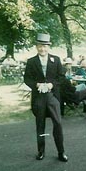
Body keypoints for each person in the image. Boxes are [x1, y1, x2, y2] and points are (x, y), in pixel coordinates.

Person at [24, 33, 68, 162]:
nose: (42, 49)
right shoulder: (31, 61)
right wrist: (36, 84)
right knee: (40, 125)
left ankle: (61, 152)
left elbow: (61, 77)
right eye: (40, 46)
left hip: (52, 96)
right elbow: (27, 78)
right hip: (39, 98)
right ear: (36, 47)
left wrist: (51, 84)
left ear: (48, 47)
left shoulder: (56, 59)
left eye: (45, 46)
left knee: (58, 124)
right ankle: (41, 151)